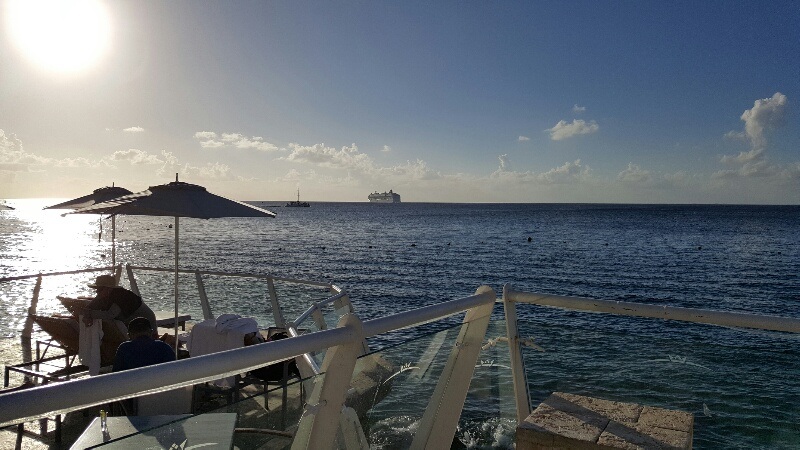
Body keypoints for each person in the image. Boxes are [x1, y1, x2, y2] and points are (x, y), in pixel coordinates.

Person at [81, 274, 158, 334]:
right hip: (130, 322)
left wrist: (89, 314)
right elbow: (90, 307)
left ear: (108, 289)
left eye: (99, 289)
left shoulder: (121, 297)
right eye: (96, 289)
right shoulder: (103, 295)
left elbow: (110, 315)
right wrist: (86, 313)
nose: (97, 291)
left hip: (145, 324)